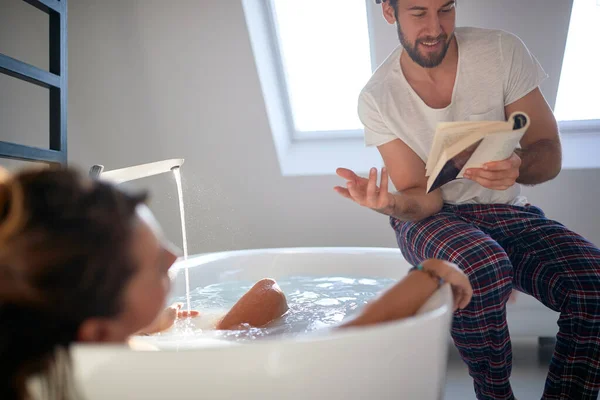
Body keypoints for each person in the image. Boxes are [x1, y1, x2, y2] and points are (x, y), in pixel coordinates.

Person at [0, 166, 472, 400]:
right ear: (97, 330)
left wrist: (145, 324)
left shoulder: (76, 345)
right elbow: (334, 353)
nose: (175, 257)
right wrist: (428, 273)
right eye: (151, 264)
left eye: (159, 240)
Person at [334, 1, 600, 399]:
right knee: (482, 262)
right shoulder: (378, 97)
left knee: (593, 285)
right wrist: (389, 204)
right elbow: (421, 199)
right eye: (419, 13)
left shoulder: (501, 51)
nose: (435, 27)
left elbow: (549, 153)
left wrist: (519, 165)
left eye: (446, 9)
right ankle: (494, 395)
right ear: (390, 13)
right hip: (431, 220)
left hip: (507, 210)